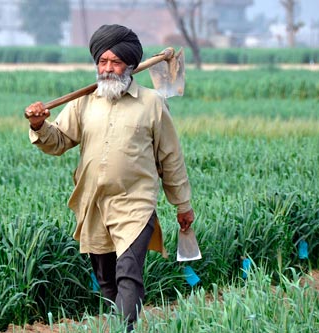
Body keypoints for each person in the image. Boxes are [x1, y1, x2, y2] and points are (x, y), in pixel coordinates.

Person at [24, 24, 194, 329]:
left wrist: (182, 205)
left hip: (135, 204)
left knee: (129, 270)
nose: (107, 69)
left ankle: (124, 327)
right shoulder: (84, 103)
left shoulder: (152, 103)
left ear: (130, 65)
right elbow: (59, 141)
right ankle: (118, 323)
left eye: (115, 62)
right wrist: (39, 126)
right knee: (106, 280)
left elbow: (171, 157)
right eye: (102, 62)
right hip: (94, 204)